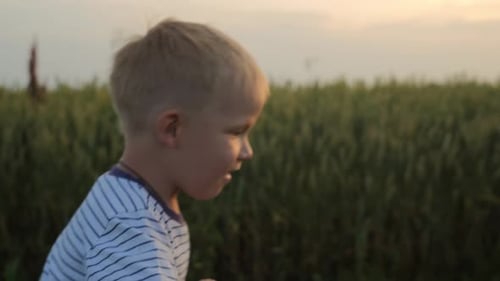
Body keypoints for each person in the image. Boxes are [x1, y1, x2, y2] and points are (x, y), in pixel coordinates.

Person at [40, 18, 269, 281]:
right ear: (172, 129)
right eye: (237, 132)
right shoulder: (128, 223)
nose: (247, 151)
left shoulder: (134, 205)